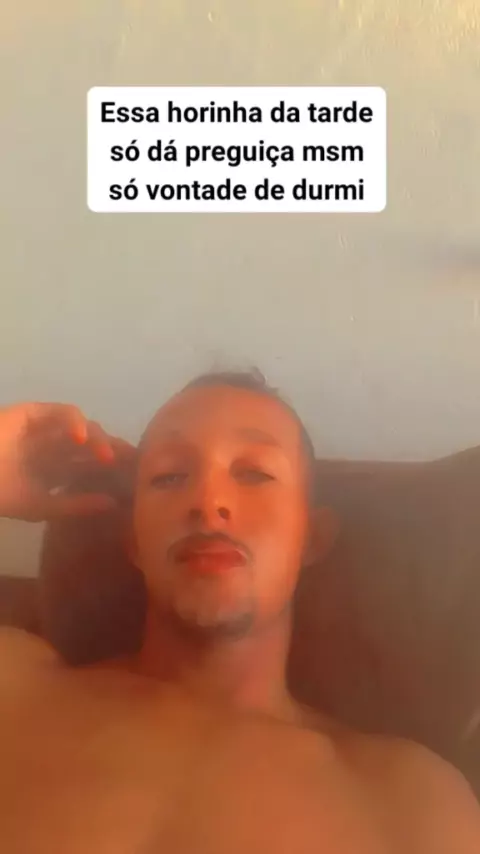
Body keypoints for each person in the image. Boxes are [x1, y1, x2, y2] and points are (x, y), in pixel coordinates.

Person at [1, 374, 480, 854]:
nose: (208, 503)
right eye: (169, 476)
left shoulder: (410, 799)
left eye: (254, 473)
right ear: (135, 543)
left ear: (311, 538)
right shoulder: (16, 683)